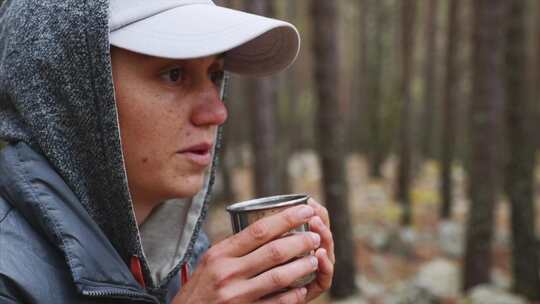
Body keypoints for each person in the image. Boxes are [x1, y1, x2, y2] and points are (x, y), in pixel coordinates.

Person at [0, 0, 335, 303]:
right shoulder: (10, 277)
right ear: (70, 92)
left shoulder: (182, 260)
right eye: (174, 74)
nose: (217, 113)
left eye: (215, 74)